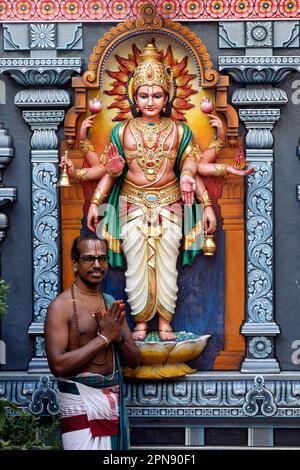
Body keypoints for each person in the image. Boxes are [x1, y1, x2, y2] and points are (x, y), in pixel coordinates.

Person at [62, 43, 253, 342]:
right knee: (136, 267)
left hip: (171, 204)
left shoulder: (179, 131)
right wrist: (95, 202)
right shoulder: (121, 131)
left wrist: (203, 201)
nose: (150, 101)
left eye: (157, 95)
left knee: (166, 267)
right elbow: (109, 171)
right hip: (130, 205)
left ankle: (165, 323)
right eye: (144, 95)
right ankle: (139, 323)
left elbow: (189, 166)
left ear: (167, 97)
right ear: (134, 97)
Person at [44, 232, 140, 450]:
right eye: (89, 258)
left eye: (102, 258)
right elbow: (57, 366)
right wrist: (104, 338)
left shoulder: (110, 305)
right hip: (79, 405)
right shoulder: (61, 306)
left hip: (112, 404)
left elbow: (134, 360)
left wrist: (119, 336)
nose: (97, 265)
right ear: (75, 264)